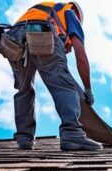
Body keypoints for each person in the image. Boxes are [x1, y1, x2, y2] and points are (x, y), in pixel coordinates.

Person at [6, 2, 101, 151]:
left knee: (24, 89)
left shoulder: (40, 10)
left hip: (12, 37)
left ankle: (24, 139)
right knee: (63, 85)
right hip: (41, 32)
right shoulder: (70, 13)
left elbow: (26, 27)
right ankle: (72, 134)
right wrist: (87, 89)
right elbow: (81, 55)